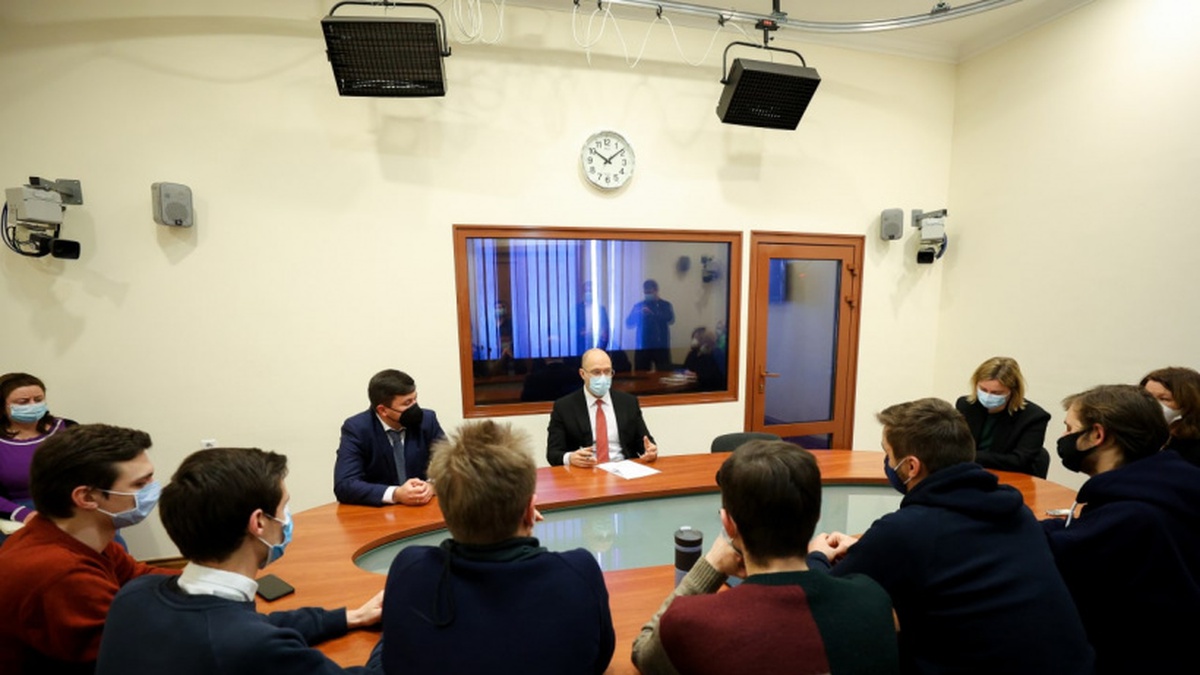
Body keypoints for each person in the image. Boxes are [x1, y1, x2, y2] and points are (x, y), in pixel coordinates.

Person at [808, 398, 1094, 675]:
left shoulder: (906, 530)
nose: (887, 461)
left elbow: (822, 601)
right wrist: (867, 547)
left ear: (911, 466)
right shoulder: (1015, 511)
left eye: (888, 453)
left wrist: (817, 556)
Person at [96, 447, 384, 674]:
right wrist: (400, 625)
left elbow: (255, 623)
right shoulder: (251, 647)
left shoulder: (134, 596)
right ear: (258, 523)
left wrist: (351, 617)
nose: (286, 519)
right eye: (283, 507)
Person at [632, 440, 900, 675]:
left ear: (728, 525)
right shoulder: (874, 601)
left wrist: (711, 564)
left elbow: (644, 654)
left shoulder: (692, 622)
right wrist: (816, 557)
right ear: (816, 516)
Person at [381, 419, 615, 675]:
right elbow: (599, 660)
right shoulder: (579, 573)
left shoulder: (411, 570)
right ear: (530, 510)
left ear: (446, 513)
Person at [1044, 384, 1200, 675]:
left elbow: (1055, 556)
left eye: (1070, 429)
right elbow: (1082, 527)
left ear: (1097, 435)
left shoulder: (1131, 516)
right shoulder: (1166, 485)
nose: (1064, 437)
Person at [0, 424, 179, 674]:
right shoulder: (62, 572)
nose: (153, 488)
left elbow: (138, 577)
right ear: (86, 498)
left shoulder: (72, 535)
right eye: (140, 483)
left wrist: (215, 578)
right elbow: (130, 655)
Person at [334, 369, 445, 507]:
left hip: (421, 508)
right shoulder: (357, 429)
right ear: (383, 410)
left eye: (415, 399)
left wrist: (431, 486)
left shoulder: (427, 420)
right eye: (407, 403)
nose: (415, 407)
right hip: (379, 512)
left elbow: (454, 466)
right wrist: (396, 494)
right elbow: (345, 485)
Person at [546, 348, 658, 467]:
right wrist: (570, 458)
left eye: (607, 371)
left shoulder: (628, 403)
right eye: (596, 372)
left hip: (623, 469)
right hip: (586, 470)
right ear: (582, 374)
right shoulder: (564, 407)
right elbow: (552, 454)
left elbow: (645, 442)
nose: (603, 377)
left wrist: (650, 451)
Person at [954, 356, 1052, 477]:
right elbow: (954, 446)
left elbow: (1019, 461)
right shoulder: (966, 405)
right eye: (983, 389)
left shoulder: (1034, 417)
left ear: (1013, 391)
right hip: (969, 474)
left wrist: (971, 456)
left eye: (997, 393)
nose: (988, 396)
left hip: (1011, 478)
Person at [1, 372, 77, 528]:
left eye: (38, 400)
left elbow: (95, 470)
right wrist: (22, 514)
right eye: (23, 402)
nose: (32, 405)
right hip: (19, 511)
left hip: (74, 504)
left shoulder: (68, 429)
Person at [1139, 366, 1200, 465]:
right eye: (1147, 397)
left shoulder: (1195, 449)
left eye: (1164, 399)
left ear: (1188, 403)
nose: (1152, 404)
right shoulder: (1138, 437)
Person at [625, 279, 675, 372]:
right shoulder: (639, 306)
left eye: (649, 292)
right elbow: (628, 323)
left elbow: (670, 319)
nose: (647, 294)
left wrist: (652, 313)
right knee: (640, 373)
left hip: (660, 346)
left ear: (656, 291)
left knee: (664, 372)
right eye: (645, 292)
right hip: (643, 346)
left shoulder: (665, 305)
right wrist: (637, 314)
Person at [575, 280, 611, 355]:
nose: (588, 293)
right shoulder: (576, 310)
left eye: (590, 291)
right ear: (582, 293)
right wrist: (582, 333)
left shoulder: (601, 310)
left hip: (598, 349)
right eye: (586, 291)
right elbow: (572, 329)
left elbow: (606, 330)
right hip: (579, 350)